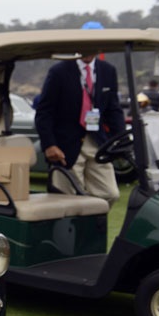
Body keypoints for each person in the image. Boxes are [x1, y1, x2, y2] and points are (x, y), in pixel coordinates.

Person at [34, 49, 124, 207]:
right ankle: (72, 230)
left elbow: (113, 109)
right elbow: (44, 111)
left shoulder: (108, 70)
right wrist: (49, 144)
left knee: (110, 193)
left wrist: (120, 139)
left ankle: (93, 228)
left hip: (97, 142)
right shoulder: (59, 71)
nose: (88, 52)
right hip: (65, 145)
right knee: (67, 198)